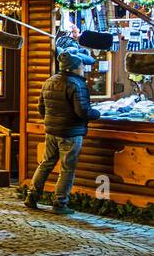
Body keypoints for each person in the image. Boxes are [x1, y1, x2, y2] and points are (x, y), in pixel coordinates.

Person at [26, 48, 101, 215]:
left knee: (45, 164)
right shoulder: (77, 84)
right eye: (81, 65)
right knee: (67, 168)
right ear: (74, 67)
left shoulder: (49, 81)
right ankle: (60, 203)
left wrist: (51, 120)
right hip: (71, 132)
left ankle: (32, 196)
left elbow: (41, 107)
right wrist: (97, 113)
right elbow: (82, 111)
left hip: (52, 131)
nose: (83, 68)